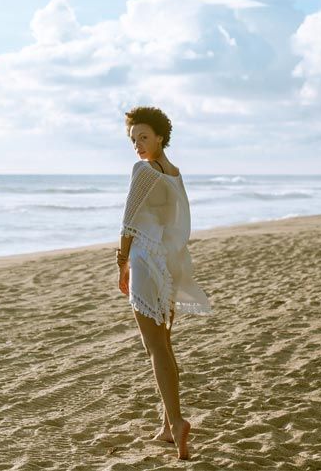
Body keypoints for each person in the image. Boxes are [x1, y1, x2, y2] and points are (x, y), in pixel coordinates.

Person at [116, 106, 212, 460]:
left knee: (154, 345)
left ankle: (176, 423)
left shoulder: (143, 171)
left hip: (144, 261)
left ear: (160, 136)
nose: (138, 145)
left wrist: (121, 263)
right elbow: (178, 226)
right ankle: (167, 424)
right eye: (133, 139)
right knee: (165, 346)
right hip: (167, 264)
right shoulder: (173, 173)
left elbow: (127, 223)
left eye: (144, 137)